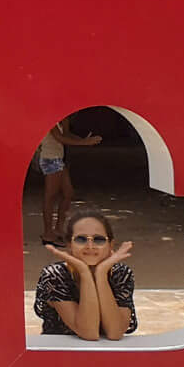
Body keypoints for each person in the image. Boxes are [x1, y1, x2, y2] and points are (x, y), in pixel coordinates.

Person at [34, 209, 136, 340]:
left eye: (98, 240)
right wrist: (84, 272)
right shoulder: (55, 275)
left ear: (110, 245)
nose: (90, 246)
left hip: (107, 355)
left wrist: (101, 274)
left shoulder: (120, 273)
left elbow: (115, 333)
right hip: (61, 355)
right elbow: (89, 333)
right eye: (81, 239)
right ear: (69, 245)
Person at [36, 118, 101, 246]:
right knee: (50, 196)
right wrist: (85, 143)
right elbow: (60, 138)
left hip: (58, 159)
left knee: (68, 193)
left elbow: (66, 135)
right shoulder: (49, 120)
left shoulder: (63, 119)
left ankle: (58, 229)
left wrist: (83, 140)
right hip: (50, 159)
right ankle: (48, 233)